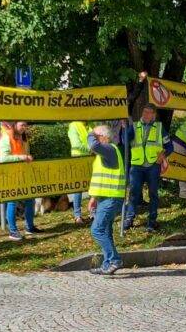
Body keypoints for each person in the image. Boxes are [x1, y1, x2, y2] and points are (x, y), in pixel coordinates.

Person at [123, 104, 171, 231]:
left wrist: (163, 155)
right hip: (137, 166)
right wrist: (125, 129)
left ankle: (151, 221)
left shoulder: (160, 128)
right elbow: (124, 141)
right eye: (144, 111)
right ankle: (129, 219)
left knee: (153, 194)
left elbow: (170, 146)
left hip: (153, 166)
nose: (145, 114)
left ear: (154, 115)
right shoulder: (134, 126)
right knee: (133, 194)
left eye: (149, 112)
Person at [86, 124, 126, 275]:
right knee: (106, 231)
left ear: (103, 137)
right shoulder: (105, 153)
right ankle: (107, 264)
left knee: (97, 230)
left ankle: (115, 260)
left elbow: (93, 144)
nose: (92, 141)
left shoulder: (109, 149)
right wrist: (93, 198)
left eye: (96, 137)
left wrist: (91, 133)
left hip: (111, 198)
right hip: (105, 198)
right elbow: (101, 179)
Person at [0, 121, 40, 240]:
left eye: (26, 125)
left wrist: (27, 157)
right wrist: (21, 157)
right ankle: (12, 231)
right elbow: (3, 158)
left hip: (24, 174)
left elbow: (25, 154)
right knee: (12, 201)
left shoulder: (24, 138)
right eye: (22, 125)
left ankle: (29, 227)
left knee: (30, 199)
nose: (24, 127)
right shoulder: (6, 138)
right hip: (11, 175)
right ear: (14, 124)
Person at [67, 120, 90, 223]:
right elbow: (76, 144)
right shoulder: (73, 125)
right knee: (79, 187)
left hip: (91, 159)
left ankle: (93, 213)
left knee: (93, 186)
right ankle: (77, 216)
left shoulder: (90, 124)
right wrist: (92, 149)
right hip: (79, 159)